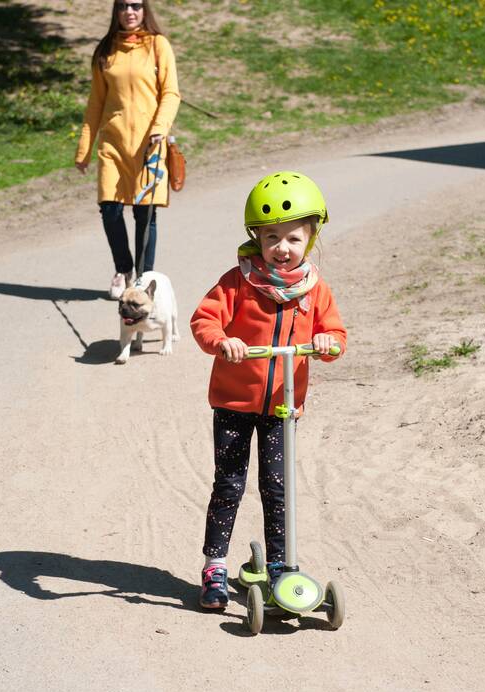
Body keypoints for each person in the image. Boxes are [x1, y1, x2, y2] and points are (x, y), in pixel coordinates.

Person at [189, 172, 347, 610]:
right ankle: (214, 565)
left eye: (293, 238)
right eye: (271, 237)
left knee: (278, 488)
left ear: (311, 238)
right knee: (230, 483)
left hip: (283, 406)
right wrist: (224, 341)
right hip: (234, 404)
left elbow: (334, 334)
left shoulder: (314, 290)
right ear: (255, 237)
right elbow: (204, 322)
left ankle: (281, 565)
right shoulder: (236, 281)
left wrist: (325, 343)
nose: (282, 248)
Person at [75, 0, 180, 300]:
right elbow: (95, 103)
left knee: (145, 214)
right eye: (123, 5)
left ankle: (144, 277)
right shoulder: (105, 51)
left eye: (135, 5)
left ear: (145, 10)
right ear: (116, 11)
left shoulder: (159, 46)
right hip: (114, 142)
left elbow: (171, 93)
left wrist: (160, 128)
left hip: (150, 142)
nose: (129, 12)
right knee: (110, 208)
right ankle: (124, 269)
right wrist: (84, 148)